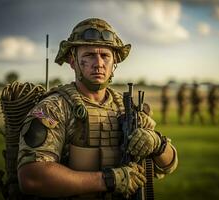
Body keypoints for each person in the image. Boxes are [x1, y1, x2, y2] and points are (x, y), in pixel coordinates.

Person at [17, 18, 178, 200]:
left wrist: (157, 143)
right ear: (72, 60)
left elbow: (169, 165)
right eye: (89, 55)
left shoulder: (127, 109)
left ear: (114, 62)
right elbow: (31, 178)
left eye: (105, 56)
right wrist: (108, 180)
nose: (99, 63)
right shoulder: (53, 108)